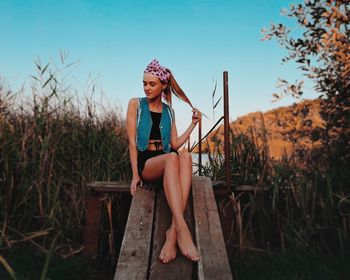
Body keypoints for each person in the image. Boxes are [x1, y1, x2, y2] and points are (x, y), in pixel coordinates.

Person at [126, 59, 202, 264]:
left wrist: (193, 125)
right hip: (147, 163)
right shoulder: (136, 104)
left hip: (167, 160)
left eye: (152, 84)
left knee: (184, 155)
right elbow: (132, 143)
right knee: (172, 158)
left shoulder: (169, 111)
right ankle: (182, 229)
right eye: (144, 83)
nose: (147, 88)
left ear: (163, 85)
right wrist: (135, 175)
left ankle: (173, 232)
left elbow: (175, 143)